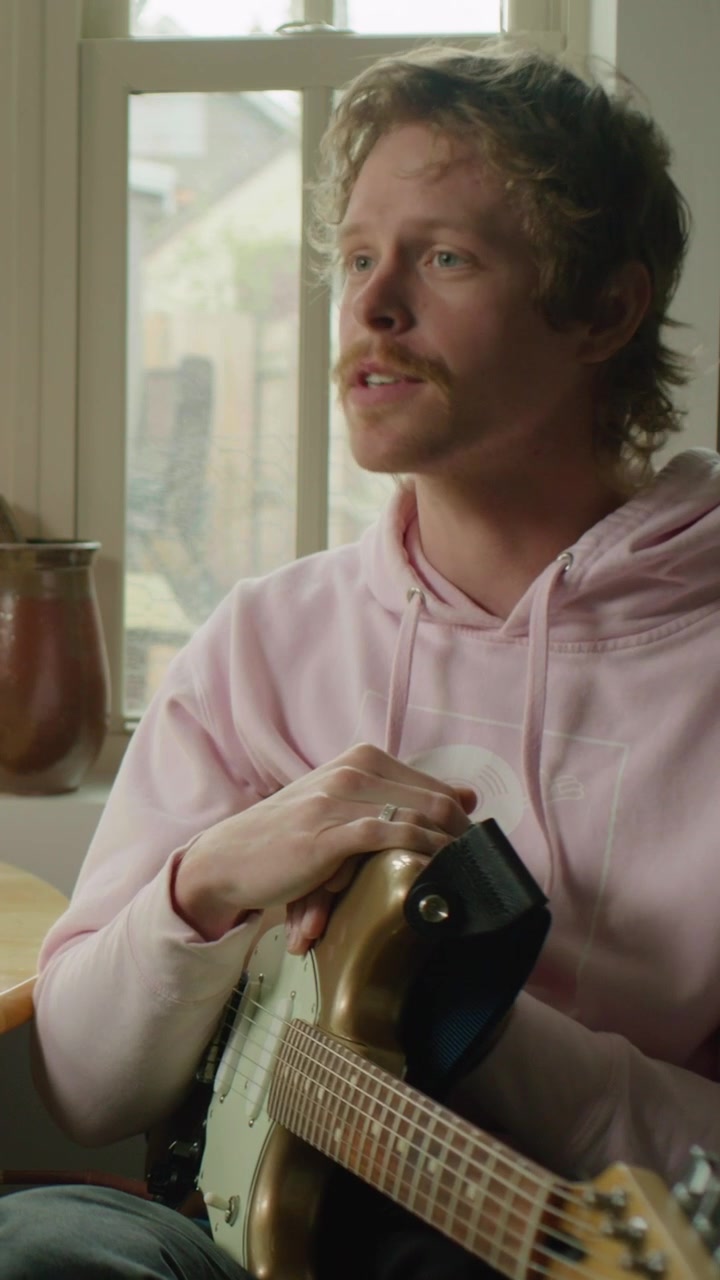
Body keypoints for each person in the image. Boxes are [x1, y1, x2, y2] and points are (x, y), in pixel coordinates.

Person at [3, 38, 720, 1280]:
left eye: (444, 257)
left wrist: (451, 1016)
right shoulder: (263, 640)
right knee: (43, 1247)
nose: (372, 307)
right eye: (354, 258)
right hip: (232, 1233)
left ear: (607, 309)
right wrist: (207, 882)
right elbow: (81, 1083)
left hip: (569, 1251)